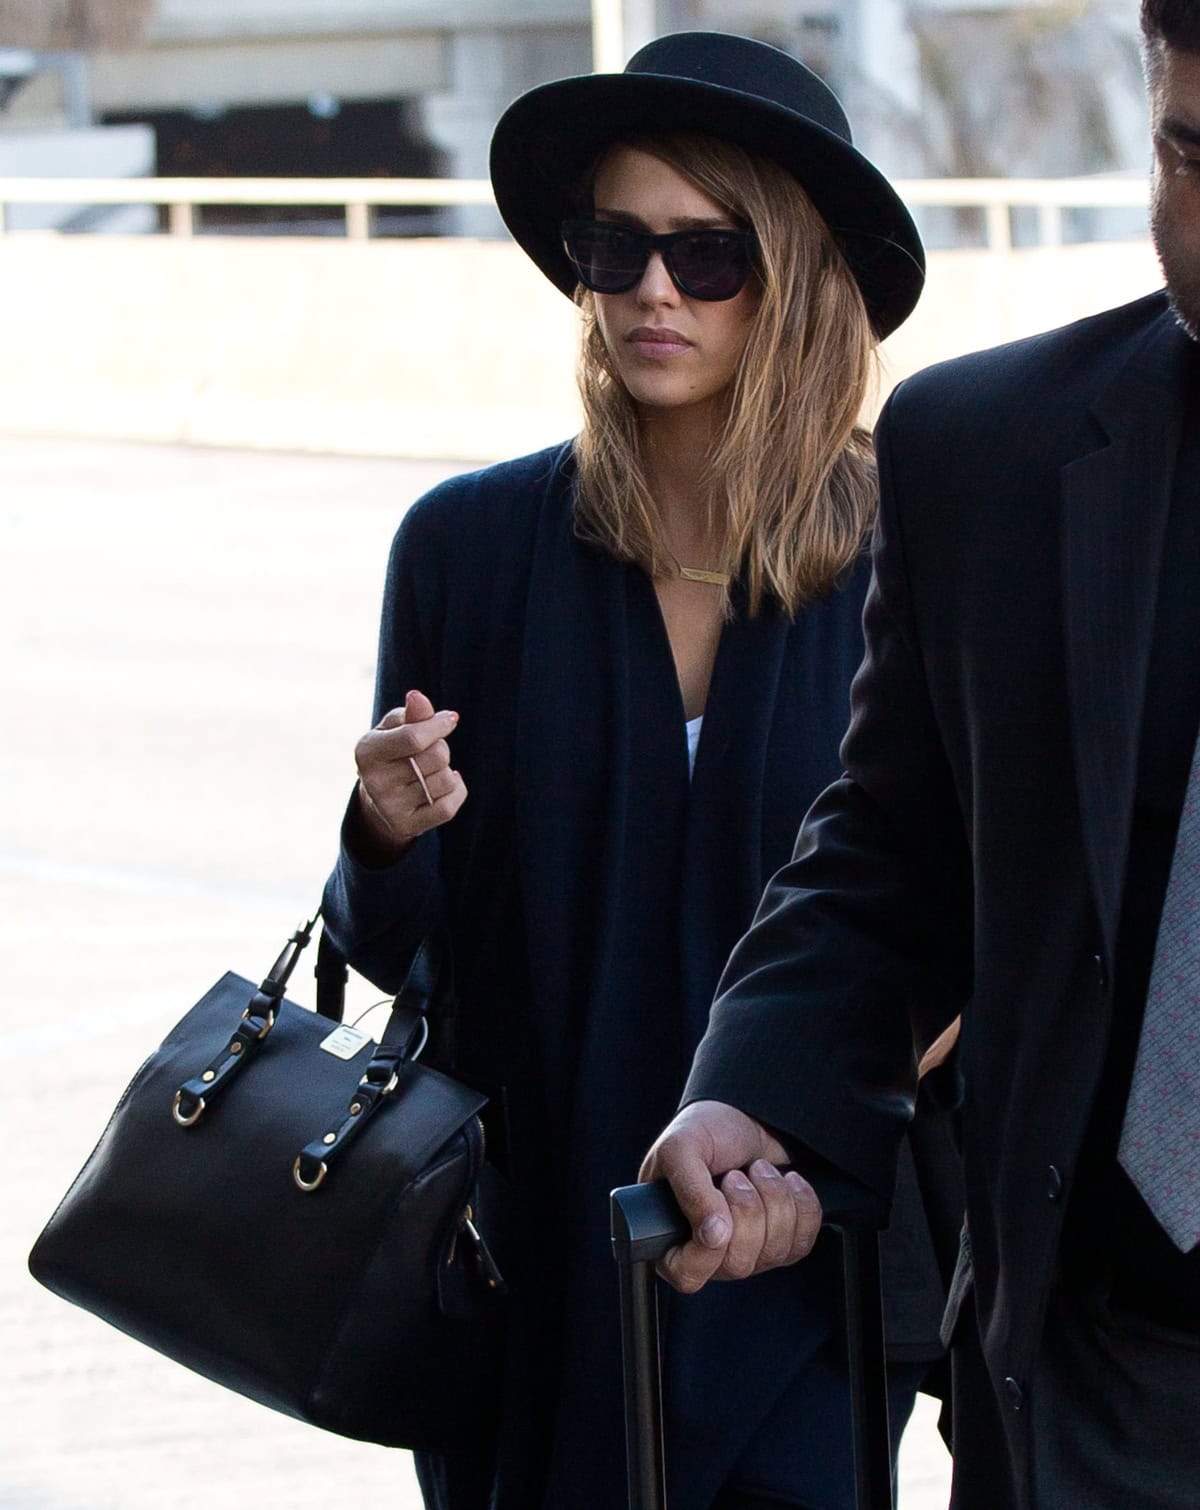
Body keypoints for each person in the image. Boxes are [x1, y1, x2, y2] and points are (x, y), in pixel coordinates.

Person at [322, 31, 946, 1510]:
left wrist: (813, 1117)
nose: (653, 290)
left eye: (707, 253)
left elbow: (976, 920)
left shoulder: (916, 554)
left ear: (788, 275)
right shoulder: (469, 549)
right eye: (614, 247)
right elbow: (400, 953)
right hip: (523, 1266)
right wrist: (386, 833)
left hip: (804, 1257)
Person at [642, 3, 1200, 1507]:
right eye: (1194, 156)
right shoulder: (987, 452)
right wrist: (757, 1079)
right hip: (1097, 1385)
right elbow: (894, 845)